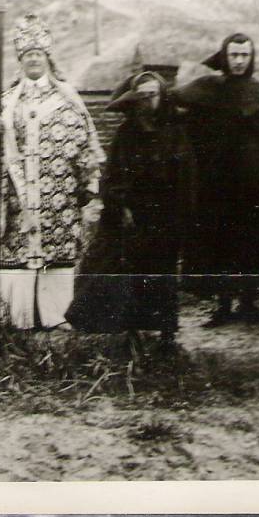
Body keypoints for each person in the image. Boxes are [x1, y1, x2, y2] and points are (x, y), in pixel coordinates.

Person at [0, 13, 106, 330]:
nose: (33, 60)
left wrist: (87, 182)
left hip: (57, 195)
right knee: (19, 253)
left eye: (38, 55)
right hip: (19, 199)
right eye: (28, 55)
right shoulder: (7, 101)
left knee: (56, 253)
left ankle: (55, 316)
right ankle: (18, 318)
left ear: (47, 58)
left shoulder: (67, 98)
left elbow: (86, 141)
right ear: (21, 61)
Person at [173, 33, 259, 325]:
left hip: (254, 184)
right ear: (224, 57)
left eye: (245, 55)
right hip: (216, 183)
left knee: (252, 241)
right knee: (219, 242)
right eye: (234, 55)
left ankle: (249, 302)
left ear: (252, 58)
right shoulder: (207, 88)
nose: (239, 61)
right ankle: (223, 305)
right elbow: (169, 99)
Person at [65, 71, 196, 341]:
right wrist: (121, 205)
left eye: (153, 95)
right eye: (142, 96)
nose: (148, 102)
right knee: (132, 272)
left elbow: (186, 174)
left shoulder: (176, 131)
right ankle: (133, 329)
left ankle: (166, 332)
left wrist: (182, 211)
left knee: (163, 272)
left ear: (162, 96)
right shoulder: (126, 133)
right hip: (134, 215)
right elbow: (114, 174)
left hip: (166, 214)